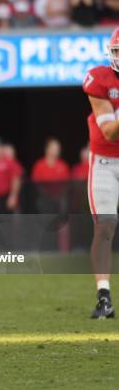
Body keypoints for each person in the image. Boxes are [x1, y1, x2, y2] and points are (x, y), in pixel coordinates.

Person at [81, 27, 119, 318]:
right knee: (105, 227)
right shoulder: (100, 79)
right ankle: (103, 296)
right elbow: (108, 131)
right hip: (106, 162)